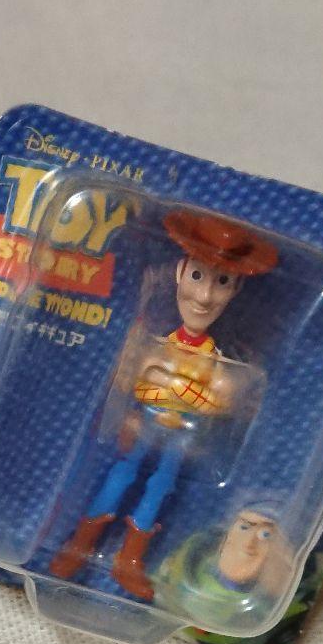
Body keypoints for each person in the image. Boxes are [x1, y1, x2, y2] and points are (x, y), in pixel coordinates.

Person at [50, 210, 278, 601]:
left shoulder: (217, 361)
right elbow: (135, 380)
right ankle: (80, 544)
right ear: (179, 272)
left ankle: (129, 560)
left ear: (235, 289)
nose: (204, 296)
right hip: (146, 424)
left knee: (161, 485)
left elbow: (222, 400)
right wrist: (171, 391)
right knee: (122, 474)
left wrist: (182, 390)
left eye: (222, 282)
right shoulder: (154, 344)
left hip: (183, 436)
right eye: (197, 276)